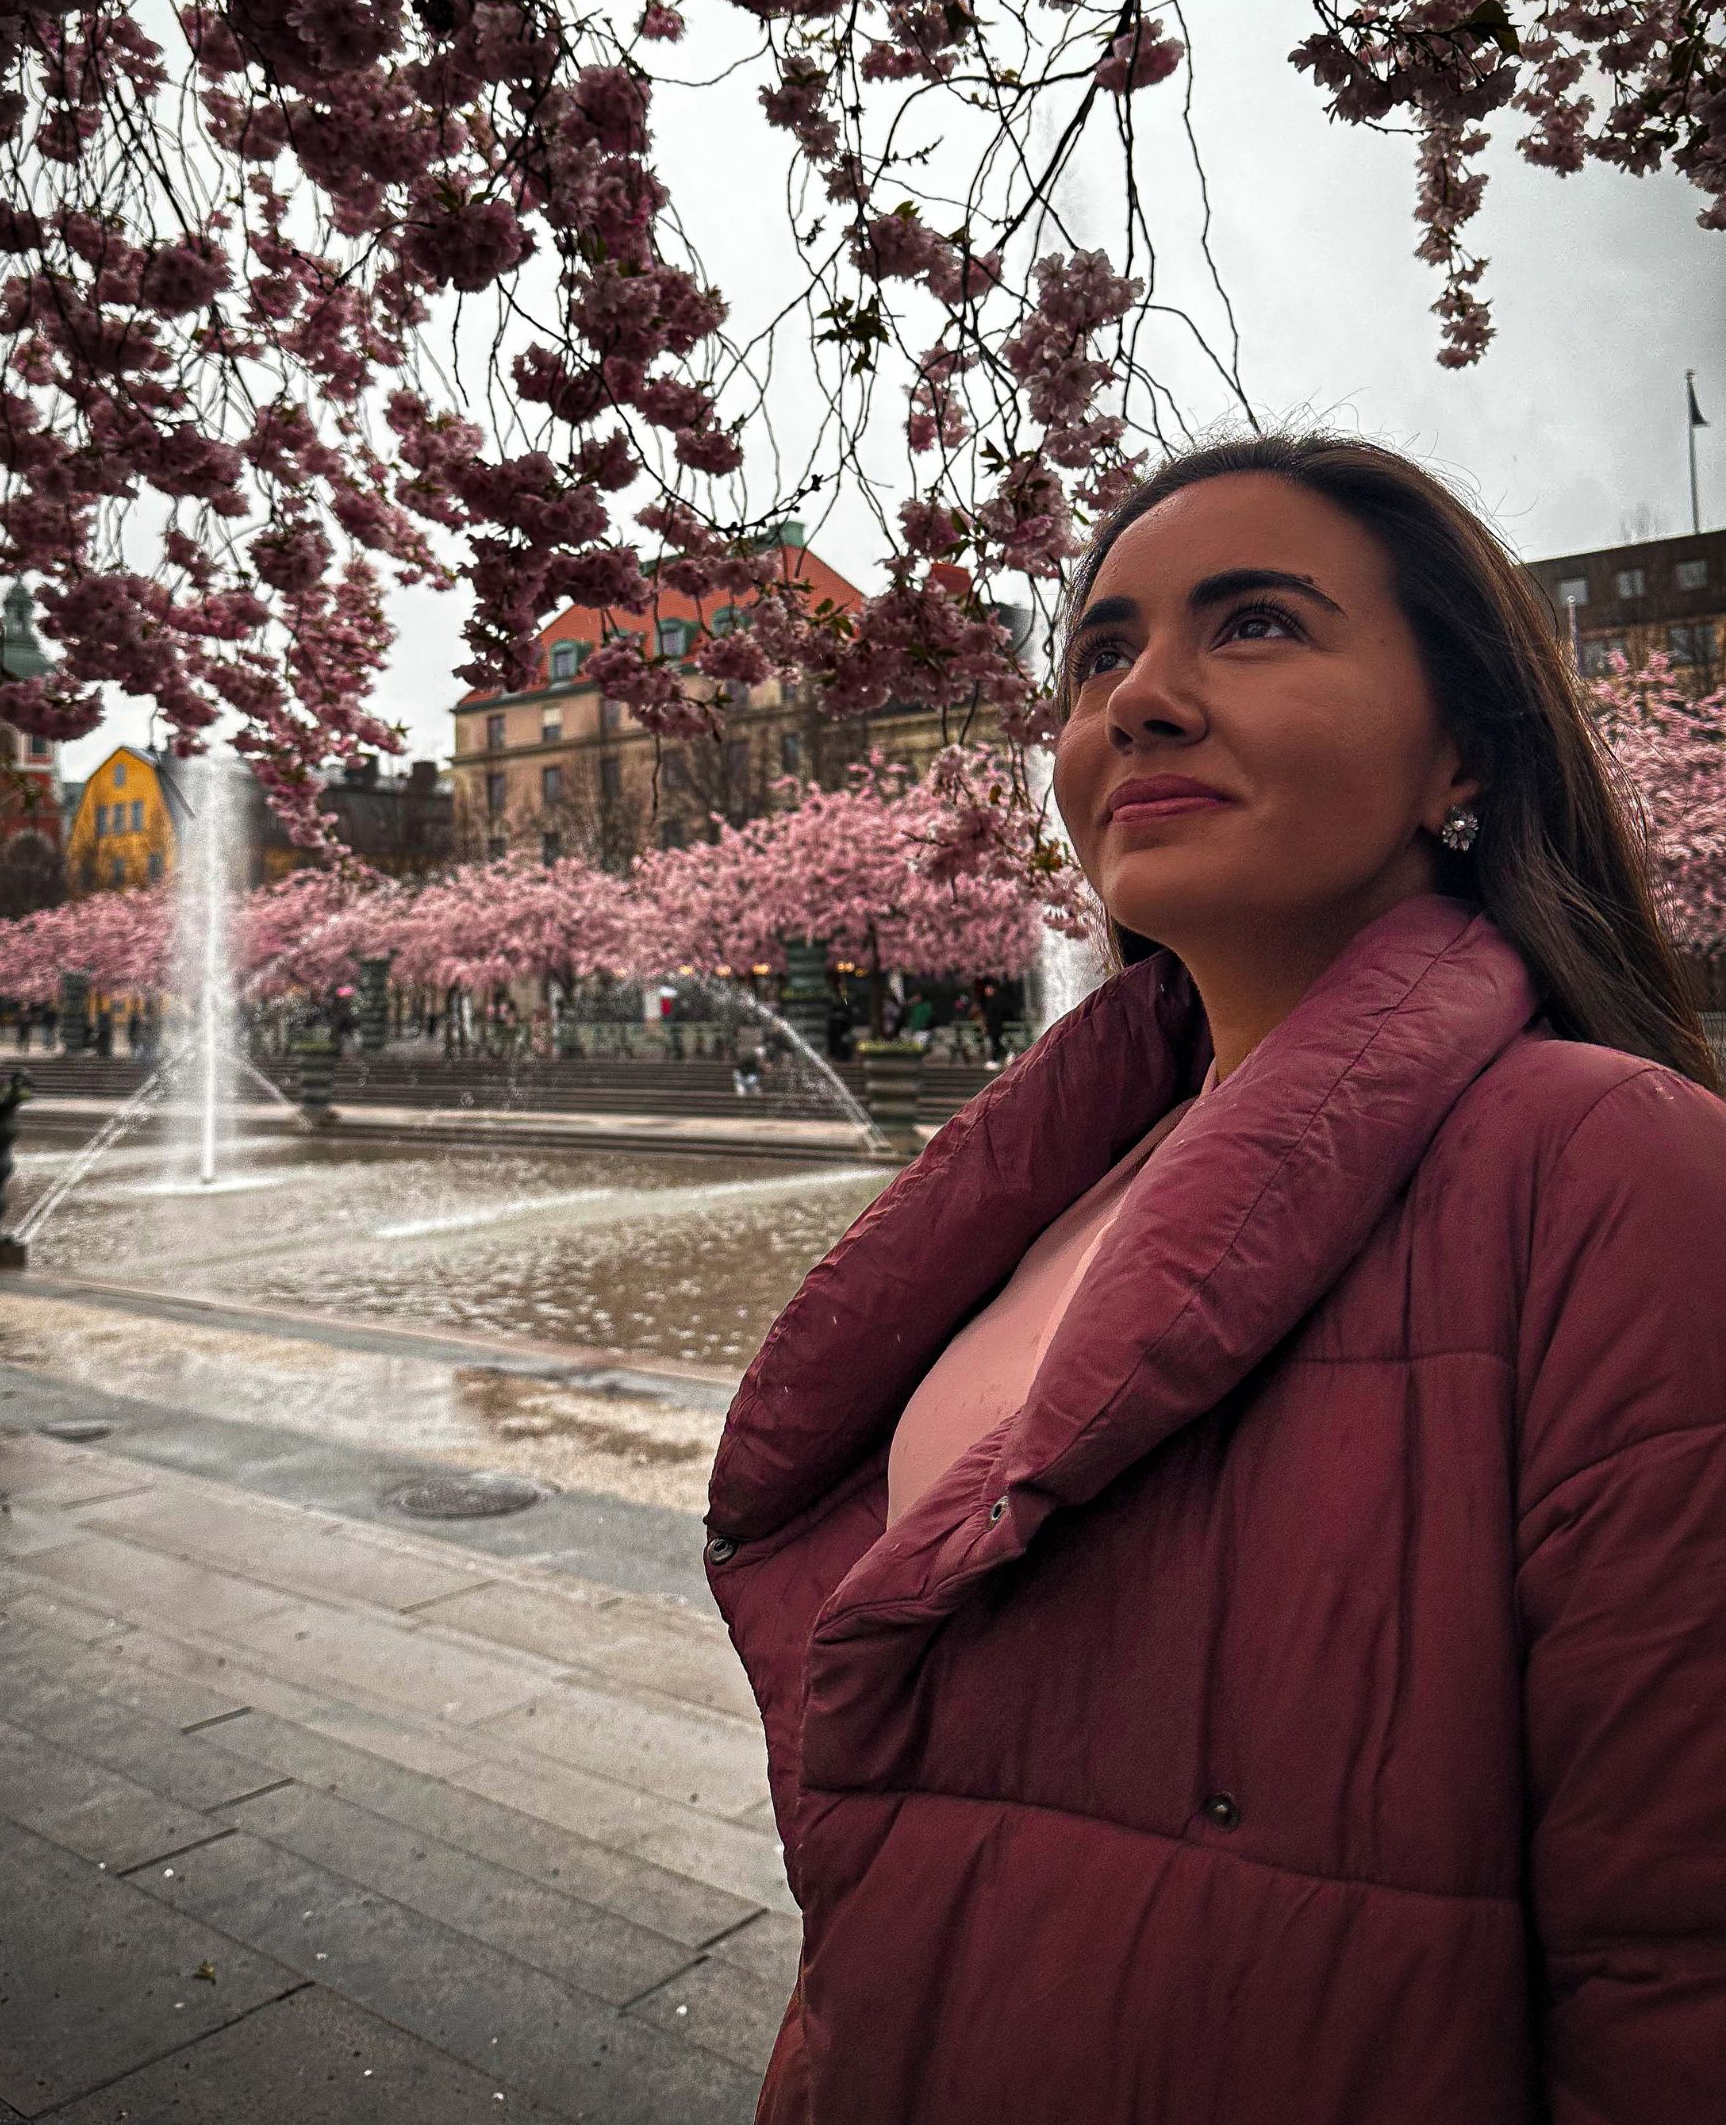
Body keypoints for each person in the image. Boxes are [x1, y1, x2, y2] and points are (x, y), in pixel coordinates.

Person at [705, 433, 1726, 2125]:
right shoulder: (1062, 1178)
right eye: (1102, 651)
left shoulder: (1615, 1169)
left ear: (1461, 748)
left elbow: (1683, 1984)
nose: (1141, 702)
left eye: (1255, 626)